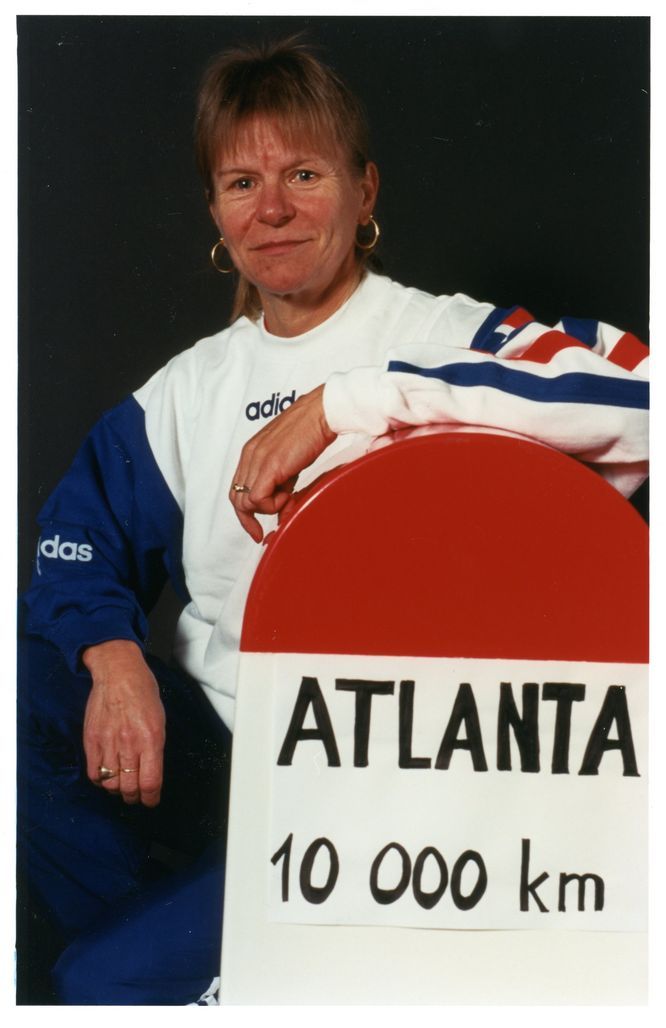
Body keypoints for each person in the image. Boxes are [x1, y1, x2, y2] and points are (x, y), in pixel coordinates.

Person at [19, 37, 649, 1005]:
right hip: (226, 769)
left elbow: (643, 401)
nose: (271, 208)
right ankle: (207, 946)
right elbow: (77, 546)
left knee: (97, 986)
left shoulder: (444, 336)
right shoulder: (188, 392)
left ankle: (210, 959)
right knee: (32, 677)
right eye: (241, 181)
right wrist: (112, 655)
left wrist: (356, 400)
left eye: (303, 173)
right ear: (217, 216)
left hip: (392, 794)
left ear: (364, 191)